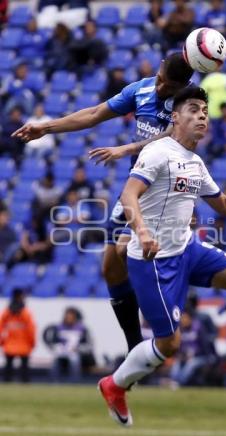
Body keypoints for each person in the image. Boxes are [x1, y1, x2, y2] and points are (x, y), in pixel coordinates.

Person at [98, 86, 226, 427]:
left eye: (204, 111)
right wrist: (143, 232)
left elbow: (221, 203)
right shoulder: (159, 152)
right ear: (174, 118)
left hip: (187, 248)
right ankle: (114, 385)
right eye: (193, 109)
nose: (202, 115)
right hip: (153, 260)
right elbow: (129, 194)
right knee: (169, 344)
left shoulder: (195, 161)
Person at [12, 52, 194, 353]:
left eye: (168, 86)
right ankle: (136, 348)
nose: (160, 87)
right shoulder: (142, 89)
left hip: (166, 194)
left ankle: (163, 330)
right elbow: (95, 113)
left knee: (124, 249)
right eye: (160, 79)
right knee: (109, 267)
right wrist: (46, 127)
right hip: (137, 186)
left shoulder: (189, 104)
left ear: (182, 85)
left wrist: (127, 148)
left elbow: (173, 137)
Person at [43, 306, 95, 382]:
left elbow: (89, 345)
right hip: (62, 353)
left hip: (76, 353)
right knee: (55, 361)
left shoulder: (82, 328)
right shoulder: (58, 328)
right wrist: (57, 348)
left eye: (71, 317)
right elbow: (53, 343)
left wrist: (78, 349)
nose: (69, 319)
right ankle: (54, 382)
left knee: (74, 360)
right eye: (67, 317)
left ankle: (74, 381)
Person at [0, 288, 36, 382]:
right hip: (24, 344)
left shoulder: (7, 312)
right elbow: (31, 329)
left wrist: (2, 341)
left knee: (8, 368)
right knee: (24, 369)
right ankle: (25, 385)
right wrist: (32, 342)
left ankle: (7, 384)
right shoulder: (25, 312)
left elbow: (1, 327)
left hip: (9, 344)